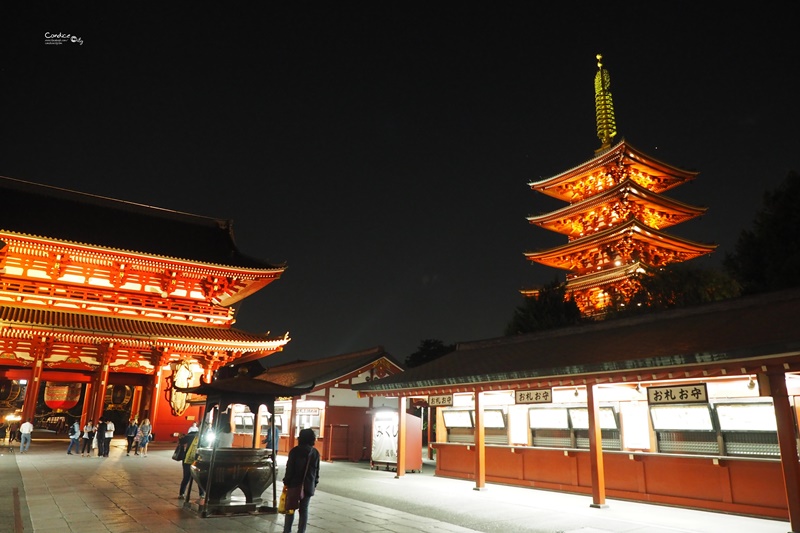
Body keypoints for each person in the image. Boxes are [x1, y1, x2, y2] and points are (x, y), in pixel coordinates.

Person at [282, 428, 320, 533]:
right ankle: (301, 531)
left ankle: (287, 530)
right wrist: (314, 483)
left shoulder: (294, 451)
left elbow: (290, 468)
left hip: (294, 484)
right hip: (308, 485)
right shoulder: (315, 453)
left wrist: (287, 482)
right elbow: (316, 470)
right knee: (304, 510)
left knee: (290, 509)